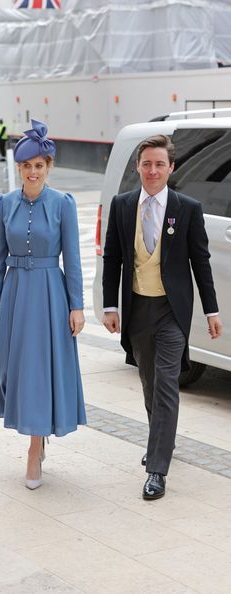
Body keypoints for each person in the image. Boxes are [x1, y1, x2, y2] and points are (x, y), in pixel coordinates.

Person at [102, 134, 222, 500]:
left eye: (159, 164)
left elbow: (200, 261)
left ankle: (157, 469)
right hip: (139, 309)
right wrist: (110, 306)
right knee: (150, 385)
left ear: (171, 168)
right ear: (138, 167)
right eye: (146, 164)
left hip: (172, 311)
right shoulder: (122, 206)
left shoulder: (186, 208)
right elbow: (112, 259)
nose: (153, 170)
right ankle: (162, 441)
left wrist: (212, 310)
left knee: (168, 385)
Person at [0, 119, 86, 490]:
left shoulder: (62, 204)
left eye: (39, 165)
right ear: (19, 169)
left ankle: (34, 446)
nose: (33, 171)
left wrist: (76, 305)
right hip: (15, 292)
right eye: (27, 166)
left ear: (48, 167)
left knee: (41, 368)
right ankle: (35, 435)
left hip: (50, 294)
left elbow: (72, 258)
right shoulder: (4, 204)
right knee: (13, 366)